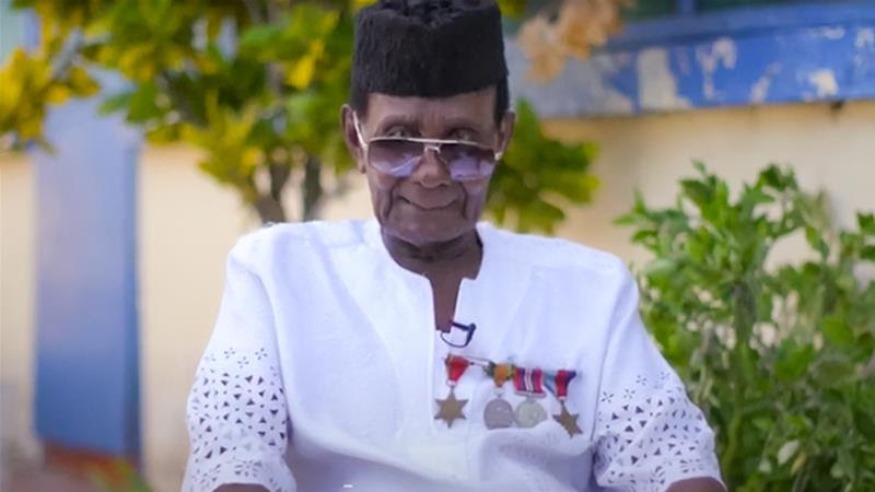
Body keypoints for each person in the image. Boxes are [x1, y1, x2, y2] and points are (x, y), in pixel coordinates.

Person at [182, 0, 725, 490]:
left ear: (501, 137)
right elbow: (233, 457)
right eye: (398, 143)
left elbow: (668, 459)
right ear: (355, 139)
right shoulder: (277, 275)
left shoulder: (590, 293)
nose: (430, 173)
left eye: (462, 145)